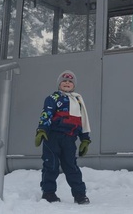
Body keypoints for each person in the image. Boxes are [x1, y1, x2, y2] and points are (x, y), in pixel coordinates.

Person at [35, 70, 92, 204]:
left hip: (69, 138)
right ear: (59, 84)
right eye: (64, 81)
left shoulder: (78, 101)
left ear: (74, 85)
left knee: (71, 166)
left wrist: (85, 139)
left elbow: (82, 120)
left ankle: (80, 195)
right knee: (51, 164)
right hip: (52, 137)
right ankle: (48, 193)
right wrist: (42, 129)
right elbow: (46, 113)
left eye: (70, 81)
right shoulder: (53, 98)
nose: (67, 83)